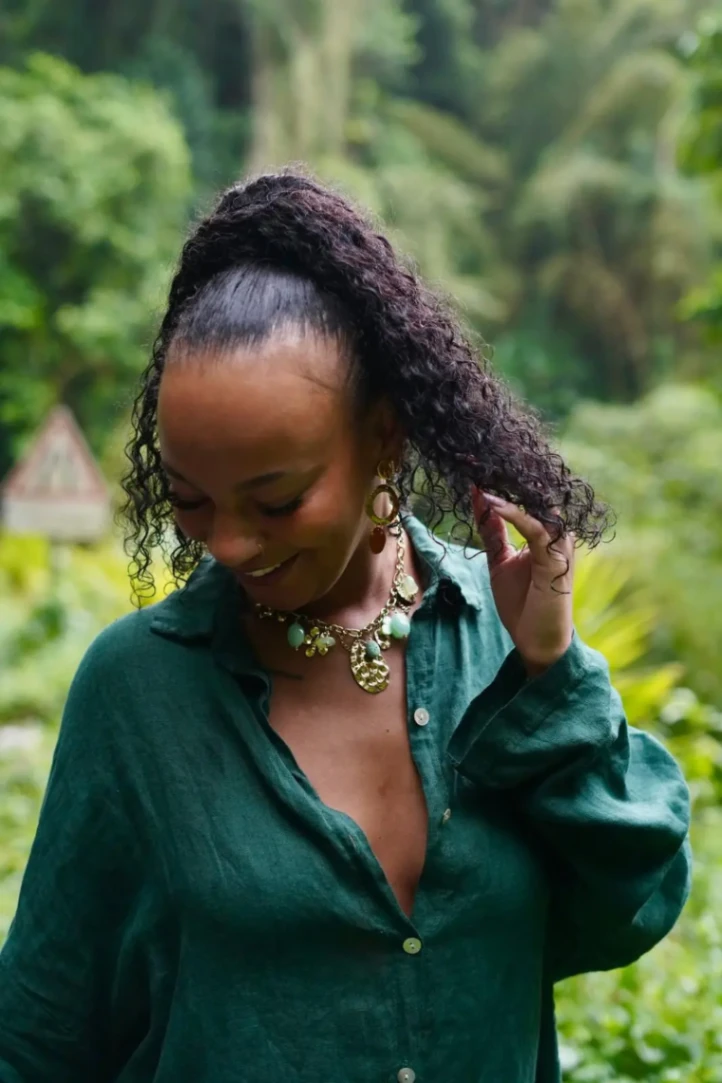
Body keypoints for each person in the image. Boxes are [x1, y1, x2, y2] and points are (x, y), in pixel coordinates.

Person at [0, 172, 691, 1083]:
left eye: (277, 500)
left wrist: (551, 671)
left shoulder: (502, 636)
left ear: (385, 438)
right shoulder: (137, 691)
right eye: (191, 501)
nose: (232, 544)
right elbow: (40, 1037)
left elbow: (630, 907)